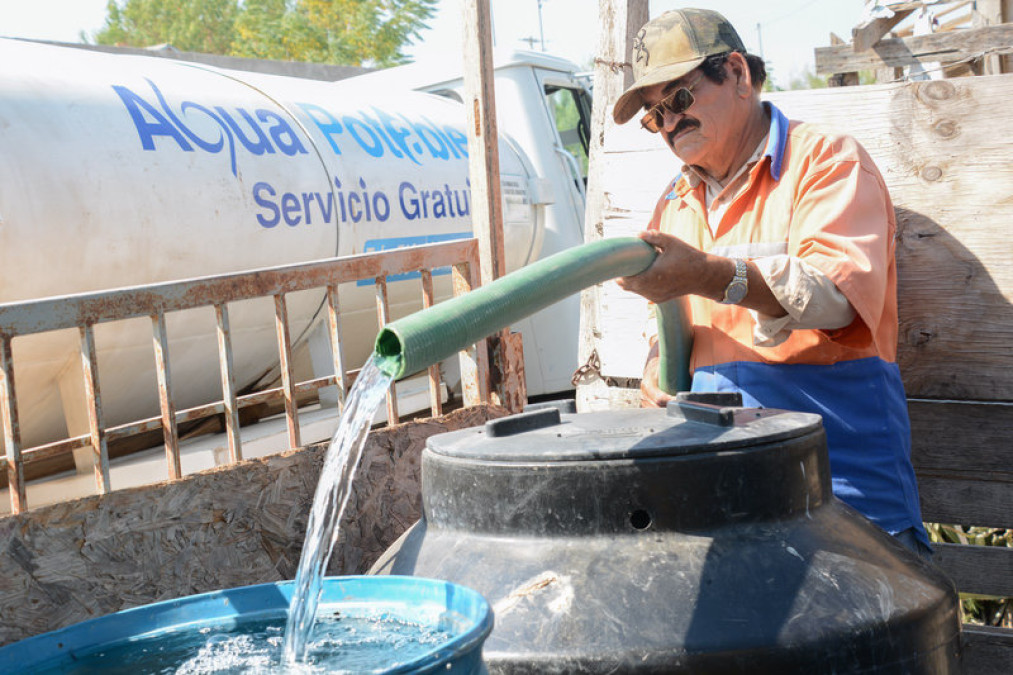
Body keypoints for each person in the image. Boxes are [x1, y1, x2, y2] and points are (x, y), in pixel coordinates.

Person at [613, 8, 931, 557]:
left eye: (680, 100)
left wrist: (712, 275)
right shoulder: (674, 201)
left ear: (736, 72)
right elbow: (669, 322)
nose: (669, 124)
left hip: (842, 492)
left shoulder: (826, 162)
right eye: (654, 115)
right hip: (729, 498)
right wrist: (654, 363)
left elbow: (835, 295)